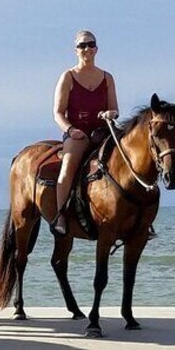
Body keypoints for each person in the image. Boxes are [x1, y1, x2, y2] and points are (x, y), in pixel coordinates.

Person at [51, 30, 119, 235]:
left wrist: (110, 113)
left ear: (96, 49)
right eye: (82, 45)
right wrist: (71, 130)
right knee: (67, 168)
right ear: (76, 50)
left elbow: (115, 109)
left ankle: (139, 218)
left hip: (102, 132)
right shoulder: (68, 76)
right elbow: (57, 113)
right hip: (77, 133)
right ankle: (61, 215)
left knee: (130, 158)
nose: (87, 48)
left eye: (90, 44)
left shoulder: (107, 77)